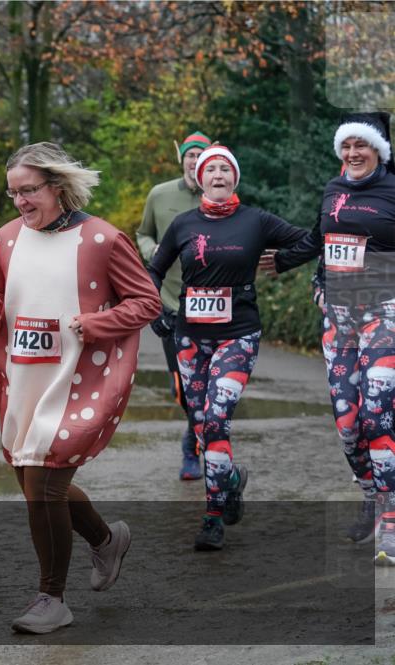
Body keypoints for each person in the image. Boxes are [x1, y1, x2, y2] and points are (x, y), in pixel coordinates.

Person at [0, 142, 161, 634]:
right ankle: (105, 539)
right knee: (34, 480)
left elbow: (146, 302)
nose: (20, 202)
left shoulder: (102, 239)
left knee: (44, 487)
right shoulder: (7, 238)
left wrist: (96, 324)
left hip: (79, 381)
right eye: (12, 193)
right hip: (21, 377)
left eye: (29, 191)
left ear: (57, 187)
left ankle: (51, 598)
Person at [148, 146, 310, 551]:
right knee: (202, 422)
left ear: (234, 178)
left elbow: (313, 239)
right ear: (199, 179)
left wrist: (286, 260)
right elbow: (152, 270)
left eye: (225, 169)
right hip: (189, 335)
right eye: (210, 169)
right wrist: (156, 312)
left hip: (238, 333)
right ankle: (231, 480)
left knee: (218, 419)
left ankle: (212, 517)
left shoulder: (256, 219)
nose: (218, 174)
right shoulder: (183, 224)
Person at [266, 112, 395, 562]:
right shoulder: (333, 190)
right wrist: (312, 279)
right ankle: (370, 495)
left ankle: (390, 515)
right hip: (340, 320)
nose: (353, 153)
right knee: (347, 424)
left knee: (379, 416)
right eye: (347, 146)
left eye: (362, 145)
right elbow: (326, 242)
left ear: (379, 149)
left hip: (385, 314)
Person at [136, 131, 213, 480]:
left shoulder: (221, 195)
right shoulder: (160, 194)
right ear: (182, 158)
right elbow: (143, 233)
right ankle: (195, 437)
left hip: (214, 306)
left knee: (211, 385)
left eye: (201, 155)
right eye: (190, 155)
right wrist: (153, 251)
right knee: (183, 388)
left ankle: (194, 448)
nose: (195, 161)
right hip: (171, 304)